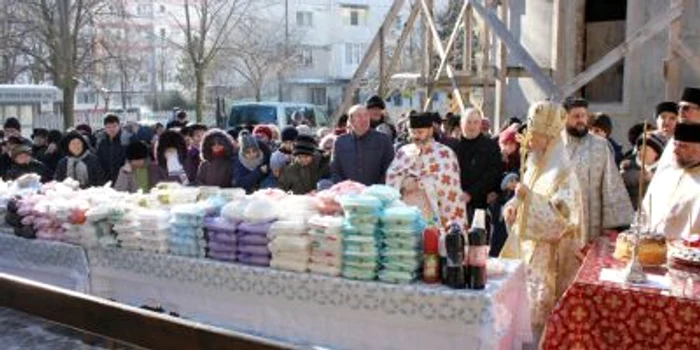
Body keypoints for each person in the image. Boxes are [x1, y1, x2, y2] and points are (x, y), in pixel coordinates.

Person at [500, 101, 584, 331]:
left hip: (549, 259)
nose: (529, 140)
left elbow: (564, 221)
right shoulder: (535, 165)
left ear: (550, 139)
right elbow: (524, 196)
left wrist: (528, 198)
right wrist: (512, 206)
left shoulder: (564, 174)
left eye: (535, 135)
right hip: (526, 250)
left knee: (539, 318)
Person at [562, 97, 633, 242]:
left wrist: (612, 224)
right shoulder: (556, 145)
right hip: (563, 218)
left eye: (583, 116)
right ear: (565, 118)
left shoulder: (600, 145)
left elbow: (611, 183)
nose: (581, 120)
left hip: (592, 220)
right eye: (576, 116)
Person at [386, 112, 466, 228]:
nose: (416, 136)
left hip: (432, 214)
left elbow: (448, 186)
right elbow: (392, 177)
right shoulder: (403, 152)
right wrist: (403, 183)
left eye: (420, 132)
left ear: (430, 131)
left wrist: (420, 184)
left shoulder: (444, 153)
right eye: (412, 132)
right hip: (406, 214)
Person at [641, 123, 700, 239]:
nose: (675, 151)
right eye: (674, 145)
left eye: (683, 146)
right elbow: (645, 213)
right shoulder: (665, 175)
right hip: (653, 248)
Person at [448, 108, 503, 222]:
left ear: (480, 124)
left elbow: (493, 173)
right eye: (468, 122)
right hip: (454, 201)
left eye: (475, 122)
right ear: (461, 123)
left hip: (481, 202)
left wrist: (471, 193)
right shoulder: (452, 146)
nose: (472, 126)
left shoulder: (490, 146)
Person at [330, 105, 394, 185]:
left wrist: (376, 189)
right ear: (351, 120)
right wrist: (345, 188)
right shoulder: (340, 142)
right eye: (359, 116)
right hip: (348, 194)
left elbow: (390, 167)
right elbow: (335, 171)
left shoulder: (383, 140)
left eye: (366, 115)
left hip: (376, 193)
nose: (364, 119)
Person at [621, 132, 665, 211]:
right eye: (639, 149)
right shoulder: (629, 165)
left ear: (656, 154)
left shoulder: (663, 169)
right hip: (632, 212)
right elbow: (622, 179)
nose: (641, 152)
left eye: (646, 149)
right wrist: (640, 176)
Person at [96, 114, 127, 185]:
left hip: (123, 178)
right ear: (105, 128)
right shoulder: (101, 142)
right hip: (106, 180)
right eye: (108, 127)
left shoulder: (125, 140)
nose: (112, 129)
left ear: (119, 126)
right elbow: (99, 161)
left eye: (114, 126)